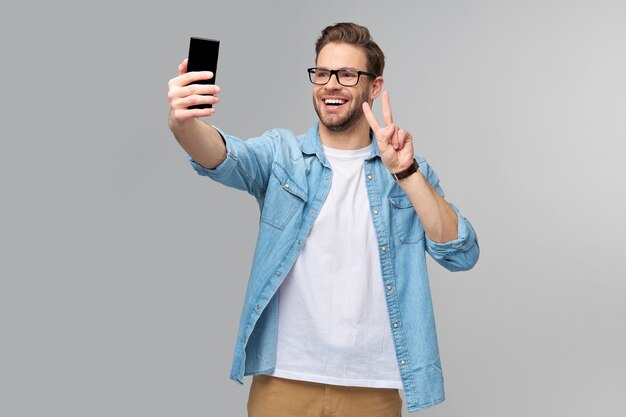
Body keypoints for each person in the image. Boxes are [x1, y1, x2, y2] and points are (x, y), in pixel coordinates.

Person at [167, 22, 479, 416]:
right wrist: (184, 124)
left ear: (374, 86)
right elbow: (223, 156)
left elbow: (461, 252)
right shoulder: (283, 156)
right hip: (284, 380)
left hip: (372, 387)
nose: (331, 84)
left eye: (348, 74)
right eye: (322, 73)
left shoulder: (406, 171)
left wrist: (406, 172)